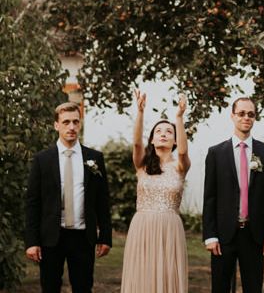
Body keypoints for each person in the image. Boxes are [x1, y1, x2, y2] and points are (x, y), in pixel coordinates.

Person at [25, 102, 112, 293]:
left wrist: (105, 236)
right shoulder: (42, 160)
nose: (71, 127)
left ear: (80, 124)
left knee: (83, 288)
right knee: (50, 288)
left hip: (83, 236)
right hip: (51, 237)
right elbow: (33, 203)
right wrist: (32, 241)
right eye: (66, 122)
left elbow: (102, 200)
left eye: (75, 122)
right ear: (56, 125)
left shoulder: (95, 158)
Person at [202, 96, 264, 293]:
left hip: (254, 235)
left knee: (253, 288)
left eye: (251, 114)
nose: (246, 118)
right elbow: (209, 198)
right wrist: (210, 235)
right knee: (220, 288)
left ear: (255, 118)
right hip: (223, 235)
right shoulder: (216, 153)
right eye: (241, 113)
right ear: (232, 116)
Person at [120, 91, 191, 293]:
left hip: (169, 228)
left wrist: (179, 117)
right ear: (152, 140)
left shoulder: (180, 166)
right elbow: (136, 143)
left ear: (175, 141)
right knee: (142, 276)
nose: (163, 134)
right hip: (142, 227)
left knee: (167, 276)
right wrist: (140, 112)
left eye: (169, 132)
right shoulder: (141, 165)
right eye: (158, 131)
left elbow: (184, 152)